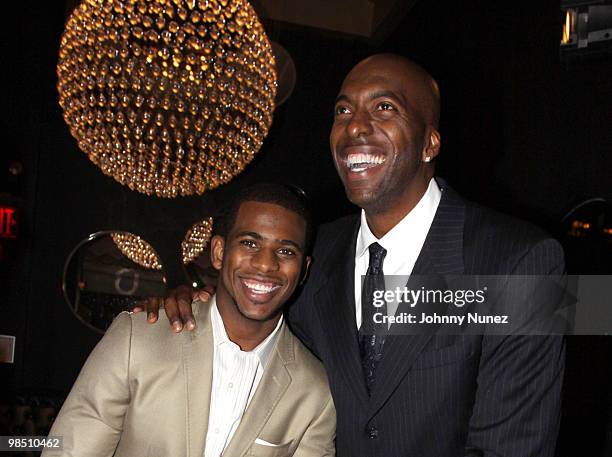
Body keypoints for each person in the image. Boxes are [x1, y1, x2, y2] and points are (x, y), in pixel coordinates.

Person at [140, 54, 565, 456]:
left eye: (384, 108)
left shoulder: (524, 264)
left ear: (429, 143)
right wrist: (193, 309)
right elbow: (252, 338)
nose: (355, 127)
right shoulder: (310, 256)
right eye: (343, 111)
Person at [44, 183, 336, 457]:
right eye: (249, 243)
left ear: (304, 270)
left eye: (286, 251)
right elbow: (70, 449)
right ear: (219, 252)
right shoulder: (137, 339)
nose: (265, 264)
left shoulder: (316, 394)